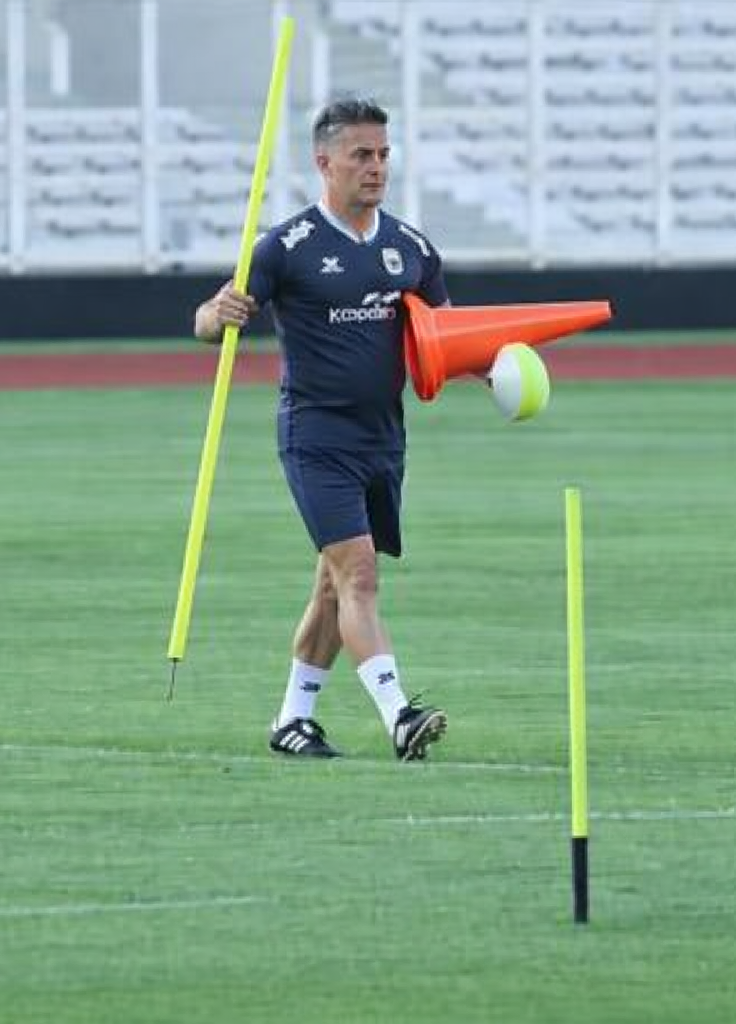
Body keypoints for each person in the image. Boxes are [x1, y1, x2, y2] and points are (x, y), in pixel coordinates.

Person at [192, 97, 448, 762]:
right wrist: (219, 312)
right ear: (325, 162)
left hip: (383, 439)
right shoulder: (286, 246)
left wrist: (497, 369)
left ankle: (291, 722)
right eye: (362, 155)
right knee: (358, 576)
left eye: (384, 154)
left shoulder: (410, 248)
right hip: (315, 436)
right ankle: (400, 715)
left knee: (333, 585)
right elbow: (206, 321)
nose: (376, 167)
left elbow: (446, 340)